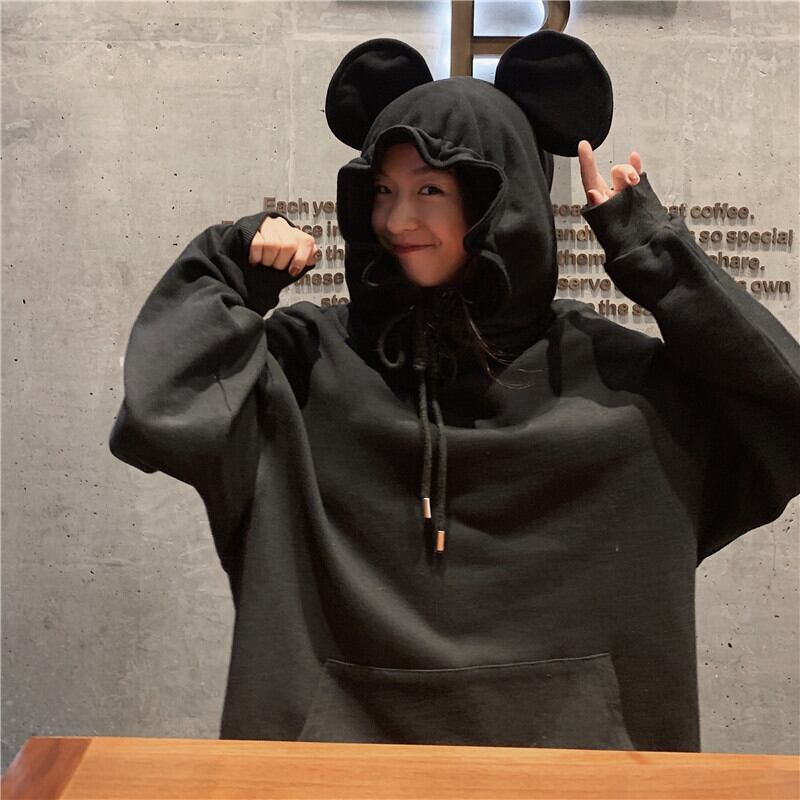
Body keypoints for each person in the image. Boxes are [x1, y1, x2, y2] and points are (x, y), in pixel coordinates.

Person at [110, 32, 800, 751]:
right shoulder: (305, 366)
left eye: (429, 190)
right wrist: (229, 269)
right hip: (330, 778)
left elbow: (786, 415)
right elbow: (160, 412)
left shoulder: (619, 383)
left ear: (502, 201)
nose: (396, 221)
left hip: (577, 780)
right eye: (383, 191)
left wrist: (660, 259)